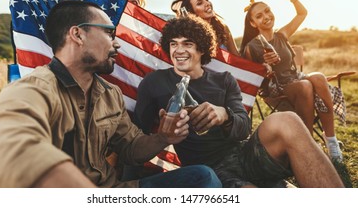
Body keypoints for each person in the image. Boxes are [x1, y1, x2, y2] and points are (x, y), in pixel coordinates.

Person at [0, 0, 222, 188]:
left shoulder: (111, 94)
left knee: (202, 177)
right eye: (109, 33)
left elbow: (131, 148)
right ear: (78, 35)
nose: (116, 44)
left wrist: (162, 138)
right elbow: (15, 149)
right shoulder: (34, 89)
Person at [133, 15, 344, 188]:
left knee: (287, 119)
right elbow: (136, 134)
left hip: (245, 153)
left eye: (187, 44)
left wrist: (224, 115)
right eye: (173, 44)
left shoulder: (223, 79)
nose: (178, 50)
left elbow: (243, 128)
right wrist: (162, 135)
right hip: (210, 172)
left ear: (202, 48)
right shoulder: (154, 82)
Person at [240, 0, 343, 162]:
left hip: (296, 80)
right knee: (305, 85)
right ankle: (307, 146)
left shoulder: (282, 35)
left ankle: (331, 142)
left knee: (317, 76)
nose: (266, 17)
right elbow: (253, 78)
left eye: (267, 11)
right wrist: (265, 67)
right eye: (259, 16)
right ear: (252, 23)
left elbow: (302, 14)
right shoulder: (252, 46)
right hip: (275, 88)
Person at [171, 0, 240, 55]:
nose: (207, 4)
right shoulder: (189, 37)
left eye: (207, 0)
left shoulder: (223, 28)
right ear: (192, 13)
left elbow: (237, 57)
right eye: (199, 3)